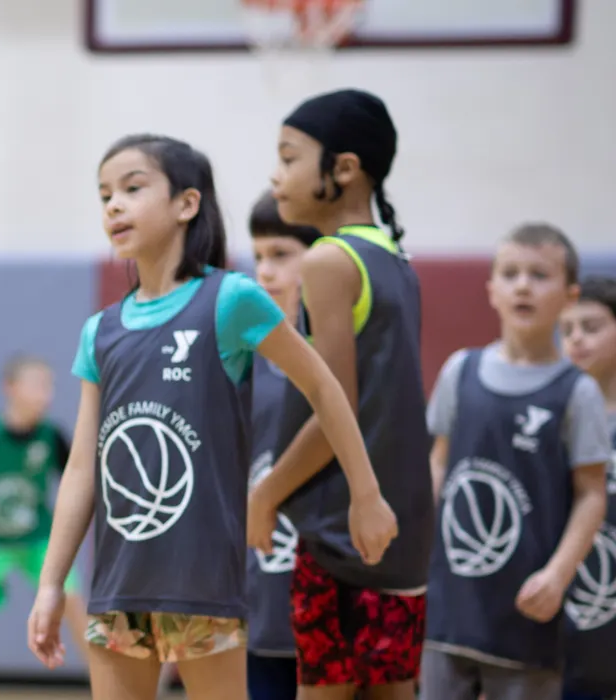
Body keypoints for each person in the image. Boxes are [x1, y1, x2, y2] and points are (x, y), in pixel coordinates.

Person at [26, 134, 394, 700]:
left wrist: (366, 495)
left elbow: (326, 387)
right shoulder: (100, 331)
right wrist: (51, 582)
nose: (114, 205)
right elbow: (82, 466)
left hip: (204, 591)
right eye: (104, 195)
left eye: (132, 188)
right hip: (118, 589)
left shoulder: (229, 301)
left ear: (187, 203)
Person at [244, 88, 433, 700]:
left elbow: (335, 408)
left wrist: (265, 494)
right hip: (402, 534)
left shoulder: (328, 262)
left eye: (289, 157)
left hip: (341, 531)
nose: (276, 174)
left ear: (344, 168)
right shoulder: (396, 258)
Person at [419, 225, 610, 700]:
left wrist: (558, 574)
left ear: (569, 296)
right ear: (491, 290)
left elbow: (591, 494)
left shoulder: (577, 392)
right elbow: (438, 465)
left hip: (528, 616)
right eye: (510, 274)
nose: (523, 286)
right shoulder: (460, 370)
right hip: (449, 611)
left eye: (539, 275)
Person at [0, 354, 88, 700]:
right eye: (38, 385)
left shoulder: (52, 436)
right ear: (10, 388)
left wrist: (67, 529)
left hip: (39, 539)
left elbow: (77, 479)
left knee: (72, 599)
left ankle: (104, 680)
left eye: (49, 386)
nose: (46, 394)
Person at [243, 191, 322, 700]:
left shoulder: (341, 361)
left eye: (280, 254)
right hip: (258, 593)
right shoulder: (241, 361)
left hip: (325, 587)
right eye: (258, 256)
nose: (265, 271)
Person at [561, 275, 616, 700]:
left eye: (591, 327)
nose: (577, 339)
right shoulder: (548, 415)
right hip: (567, 606)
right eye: (567, 330)